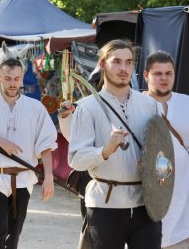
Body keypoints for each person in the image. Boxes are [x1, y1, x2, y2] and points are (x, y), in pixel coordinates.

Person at [68, 39, 161, 248]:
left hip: (146, 205)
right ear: (102, 64)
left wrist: (154, 165)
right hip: (105, 205)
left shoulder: (148, 104)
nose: (123, 68)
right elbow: (75, 160)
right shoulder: (87, 108)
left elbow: (161, 152)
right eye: (117, 61)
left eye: (129, 62)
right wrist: (105, 151)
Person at [0, 58, 57, 249]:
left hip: (24, 180)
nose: (13, 83)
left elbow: (46, 145)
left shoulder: (36, 108)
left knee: (13, 238)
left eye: (17, 79)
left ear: (22, 79)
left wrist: (48, 176)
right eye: (8, 78)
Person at [143, 51, 189, 248]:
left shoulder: (186, 103)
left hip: (183, 192)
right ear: (146, 76)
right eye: (157, 74)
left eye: (168, 73)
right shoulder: (134, 104)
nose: (164, 78)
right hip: (147, 193)